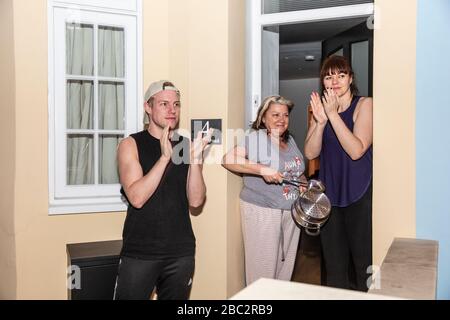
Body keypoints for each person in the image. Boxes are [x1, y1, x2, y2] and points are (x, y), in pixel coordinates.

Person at [114, 80, 211, 300]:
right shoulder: (130, 144)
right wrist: (165, 158)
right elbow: (137, 198)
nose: (172, 110)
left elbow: (196, 201)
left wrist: (195, 160)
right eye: (164, 104)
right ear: (148, 107)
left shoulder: (186, 145)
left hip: (180, 251)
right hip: (141, 252)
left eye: (176, 104)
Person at [304, 55, 373, 291]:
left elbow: (356, 150)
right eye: (329, 76)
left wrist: (333, 115)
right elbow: (311, 152)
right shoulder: (319, 111)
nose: (335, 81)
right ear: (323, 81)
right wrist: (321, 121)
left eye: (341, 75)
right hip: (329, 198)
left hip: (359, 194)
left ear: (350, 78)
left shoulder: (365, 105)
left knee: (364, 265)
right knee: (334, 268)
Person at [222, 95, 307, 286]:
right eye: (275, 114)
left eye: (285, 115)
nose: (281, 119)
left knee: (284, 272)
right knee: (262, 274)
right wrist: (262, 169)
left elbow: (294, 171)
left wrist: (302, 182)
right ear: (263, 118)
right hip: (264, 211)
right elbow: (228, 159)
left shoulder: (290, 140)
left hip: (291, 213)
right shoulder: (256, 139)